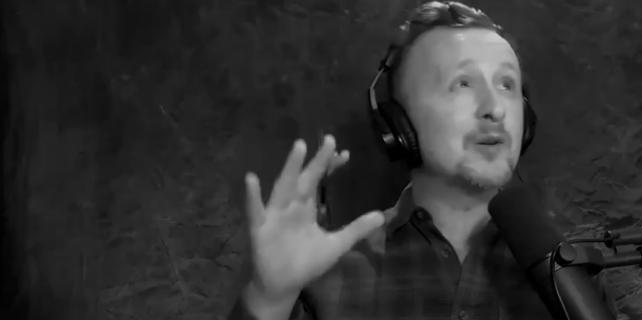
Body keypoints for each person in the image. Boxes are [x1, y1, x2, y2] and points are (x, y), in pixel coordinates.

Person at [229, 2, 618, 319]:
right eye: (463, 84)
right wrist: (267, 300)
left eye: (507, 84)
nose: (495, 109)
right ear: (397, 123)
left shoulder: (570, 276)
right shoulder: (332, 273)